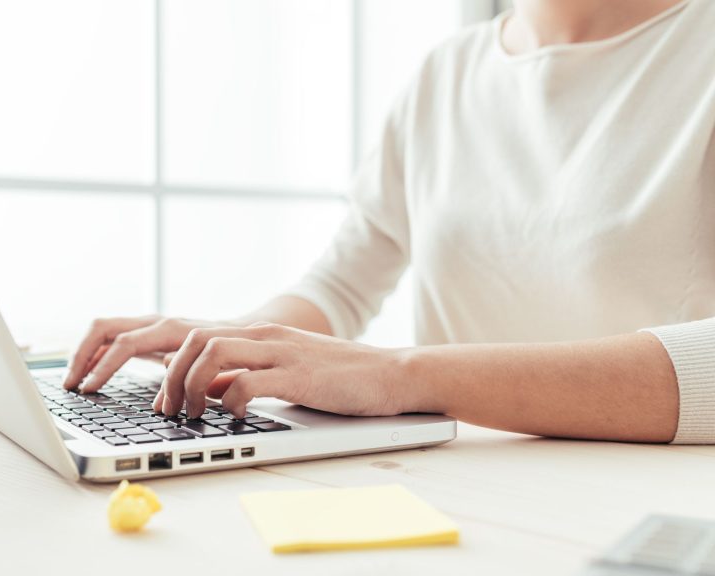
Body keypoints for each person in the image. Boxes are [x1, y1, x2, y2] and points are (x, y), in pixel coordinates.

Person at [65, 0, 715, 444]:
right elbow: (343, 285)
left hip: (642, 511)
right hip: (454, 491)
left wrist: (403, 376)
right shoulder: (448, 72)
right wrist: (232, 342)